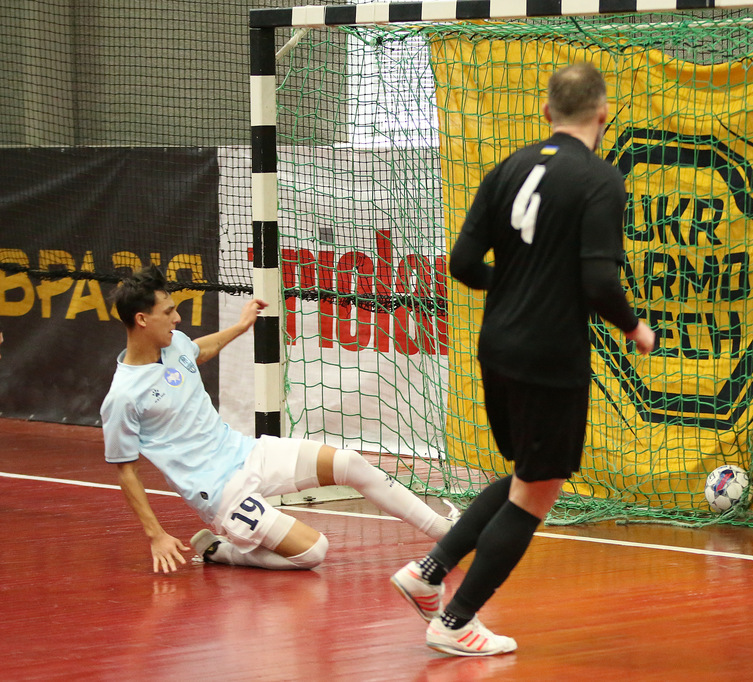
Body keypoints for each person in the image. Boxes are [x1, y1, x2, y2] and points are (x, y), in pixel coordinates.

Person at [390, 63, 656, 656]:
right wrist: (636, 328)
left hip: (497, 347)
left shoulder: (508, 168)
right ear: (603, 114)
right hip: (548, 354)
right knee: (538, 491)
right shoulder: (600, 179)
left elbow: (463, 264)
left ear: (546, 112)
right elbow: (598, 282)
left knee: (527, 477)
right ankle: (455, 621)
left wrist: (509, 285)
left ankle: (428, 573)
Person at [101, 265, 454, 573]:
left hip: (246, 451)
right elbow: (126, 471)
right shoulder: (124, 396)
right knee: (313, 552)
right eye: (168, 312)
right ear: (142, 320)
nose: (177, 319)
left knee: (350, 463)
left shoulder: (175, 343)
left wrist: (240, 326)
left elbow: (196, 353)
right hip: (221, 493)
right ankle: (223, 551)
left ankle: (444, 530)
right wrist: (156, 535)